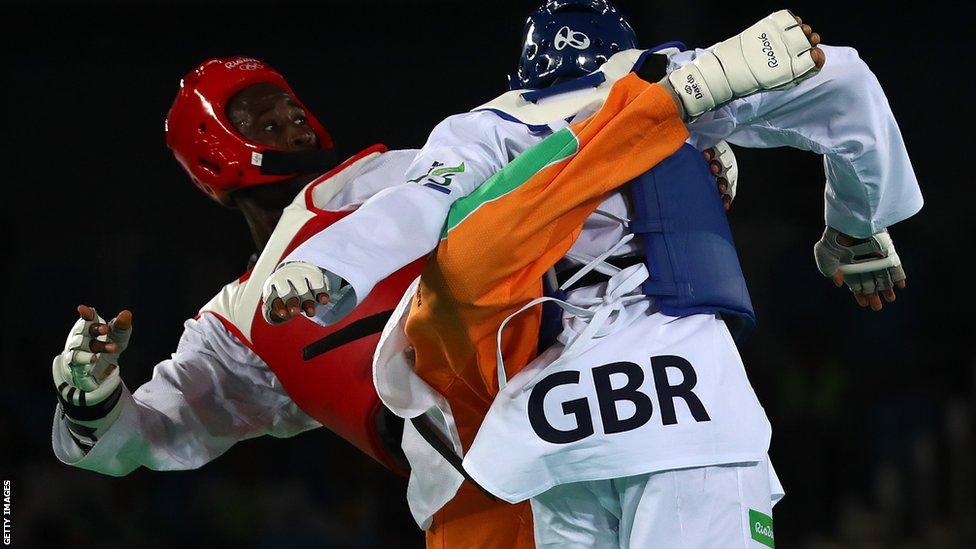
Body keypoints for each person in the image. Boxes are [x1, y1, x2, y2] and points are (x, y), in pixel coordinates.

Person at [263, 5, 912, 546]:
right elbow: (845, 80)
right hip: (693, 413)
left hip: (548, 436)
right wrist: (856, 222)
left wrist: (326, 262)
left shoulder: (486, 126)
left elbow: (422, 201)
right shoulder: (681, 82)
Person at [49, 56, 426, 477]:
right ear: (214, 159)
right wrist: (92, 401)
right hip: (467, 490)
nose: (299, 132)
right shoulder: (237, 326)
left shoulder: (395, 177)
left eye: (297, 116)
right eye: (271, 125)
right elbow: (157, 433)